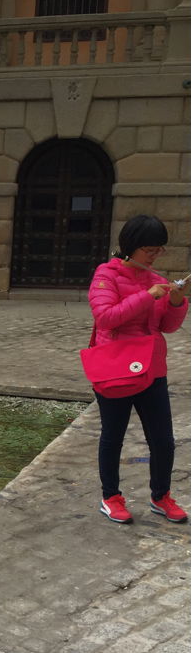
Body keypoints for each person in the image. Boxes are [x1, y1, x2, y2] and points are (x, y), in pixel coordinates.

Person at [88, 214, 187, 524]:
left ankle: (161, 496)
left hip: (151, 370)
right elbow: (106, 317)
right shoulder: (106, 275)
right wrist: (146, 297)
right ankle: (111, 497)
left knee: (163, 439)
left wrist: (176, 302)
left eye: (159, 250)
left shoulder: (157, 280)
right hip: (115, 368)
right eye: (149, 250)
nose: (154, 256)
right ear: (130, 247)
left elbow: (167, 327)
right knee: (112, 436)